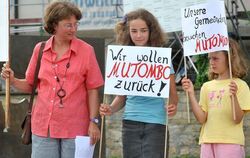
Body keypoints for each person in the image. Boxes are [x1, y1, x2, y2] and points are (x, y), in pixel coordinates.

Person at [1, 1, 104, 158]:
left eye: (76, 24)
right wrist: (13, 80)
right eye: (68, 25)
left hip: (76, 127)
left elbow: (93, 90)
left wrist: (94, 122)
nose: (74, 29)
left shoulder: (86, 51)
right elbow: (30, 85)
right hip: (43, 127)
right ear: (54, 25)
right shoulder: (40, 49)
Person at [100, 9, 178, 158]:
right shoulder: (124, 58)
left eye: (143, 30)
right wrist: (110, 108)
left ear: (151, 31)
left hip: (157, 123)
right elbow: (121, 97)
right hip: (130, 123)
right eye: (134, 31)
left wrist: (172, 106)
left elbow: (172, 95)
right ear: (127, 32)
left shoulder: (162, 58)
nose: (139, 35)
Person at [181, 38, 250, 158]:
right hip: (207, 141)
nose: (211, 62)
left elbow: (237, 119)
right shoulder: (206, 86)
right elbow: (202, 119)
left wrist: (233, 96)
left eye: (216, 58)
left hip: (231, 143)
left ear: (229, 59)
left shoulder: (241, 85)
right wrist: (191, 94)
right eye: (210, 59)